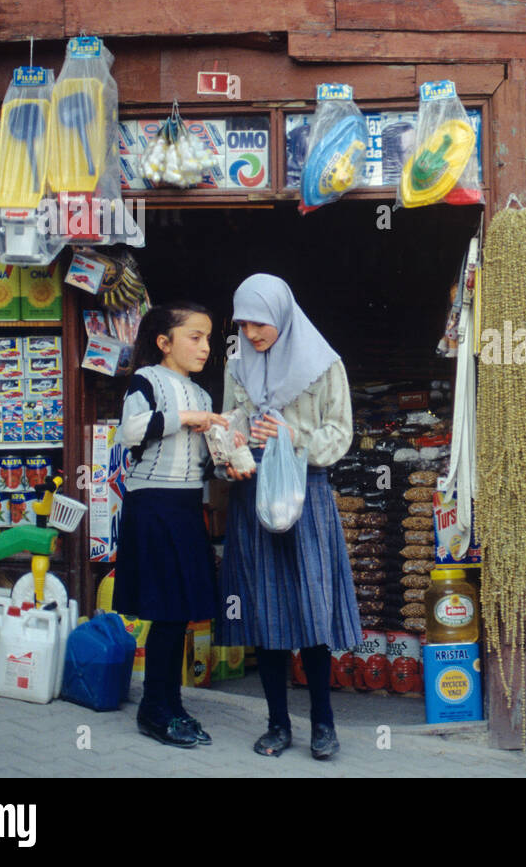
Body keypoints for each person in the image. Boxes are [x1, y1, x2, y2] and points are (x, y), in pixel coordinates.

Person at [217, 274, 360, 760]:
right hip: (252, 493)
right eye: (244, 323)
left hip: (306, 496)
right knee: (264, 612)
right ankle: (278, 725)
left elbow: (340, 435)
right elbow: (230, 419)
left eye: (259, 323)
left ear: (281, 313)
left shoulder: (324, 365)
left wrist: (292, 437)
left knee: (311, 613)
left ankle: (324, 725)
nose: (252, 333)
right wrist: (230, 448)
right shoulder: (238, 361)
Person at [111, 302, 227, 749]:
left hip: (184, 507)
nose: (204, 346)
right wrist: (187, 419)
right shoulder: (147, 380)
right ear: (165, 342)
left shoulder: (202, 395)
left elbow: (201, 460)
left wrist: (225, 463)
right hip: (153, 505)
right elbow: (132, 430)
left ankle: (170, 704)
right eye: (194, 337)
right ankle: (153, 710)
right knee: (163, 611)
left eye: (209, 338)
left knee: (178, 613)